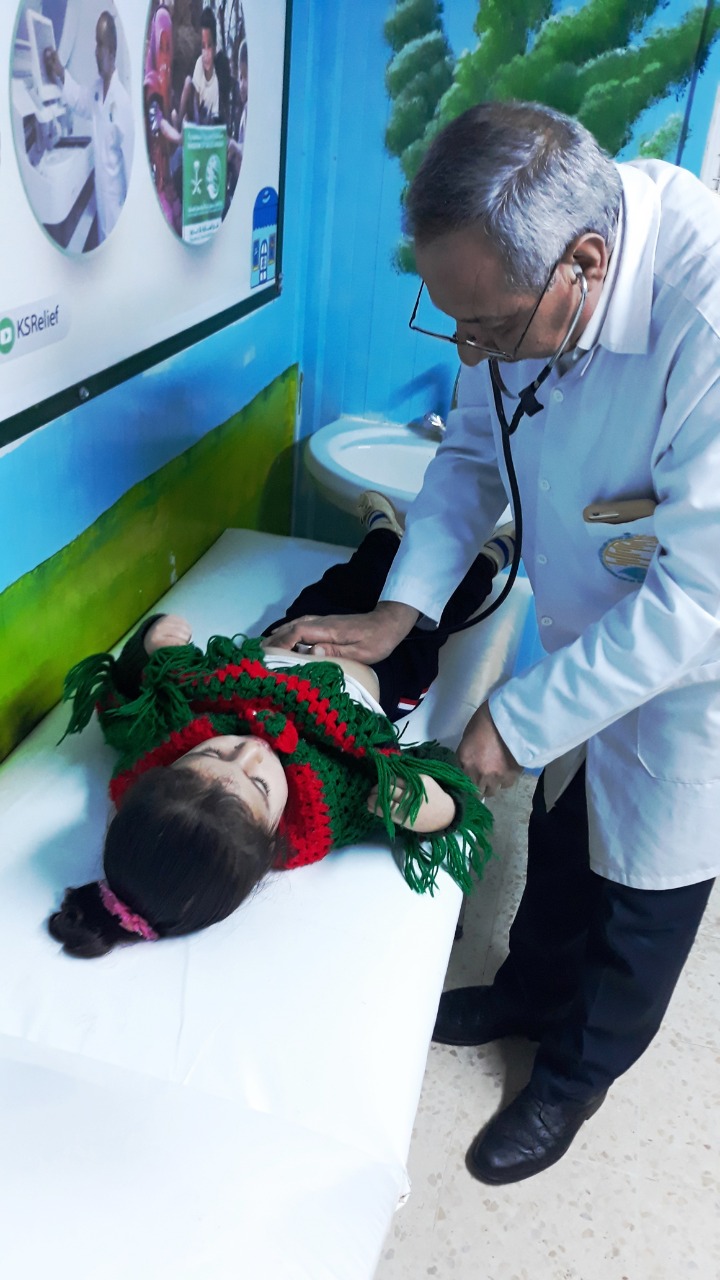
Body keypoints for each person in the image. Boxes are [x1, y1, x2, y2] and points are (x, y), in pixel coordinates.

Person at [268, 101, 720, 1185]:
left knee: (648, 882)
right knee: (564, 831)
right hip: (594, 611)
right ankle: (526, 989)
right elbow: (473, 454)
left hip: (694, 652)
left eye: (490, 327)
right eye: (453, 323)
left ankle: (575, 1072)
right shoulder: (516, 282)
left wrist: (513, 722)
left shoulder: (705, 313)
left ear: (586, 265)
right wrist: (403, 610)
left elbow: (699, 593)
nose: (471, 349)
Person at [49, 495, 514, 960]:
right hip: (388, 673)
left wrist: (150, 644)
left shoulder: (170, 736)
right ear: (274, 834)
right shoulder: (328, 806)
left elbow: (124, 700)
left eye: (214, 752)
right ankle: (490, 558)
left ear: (166, 768)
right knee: (443, 608)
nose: (253, 750)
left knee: (357, 577)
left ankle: (383, 534)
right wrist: (438, 810)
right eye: (259, 784)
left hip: (293, 634)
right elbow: (431, 777)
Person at [44, 13, 133, 245]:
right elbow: (78, 99)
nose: (96, 52)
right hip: (103, 207)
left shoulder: (122, 102)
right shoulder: (96, 91)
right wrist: (60, 72)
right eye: (96, 44)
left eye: (100, 45)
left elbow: (130, 167)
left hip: (118, 209)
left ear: (112, 52)